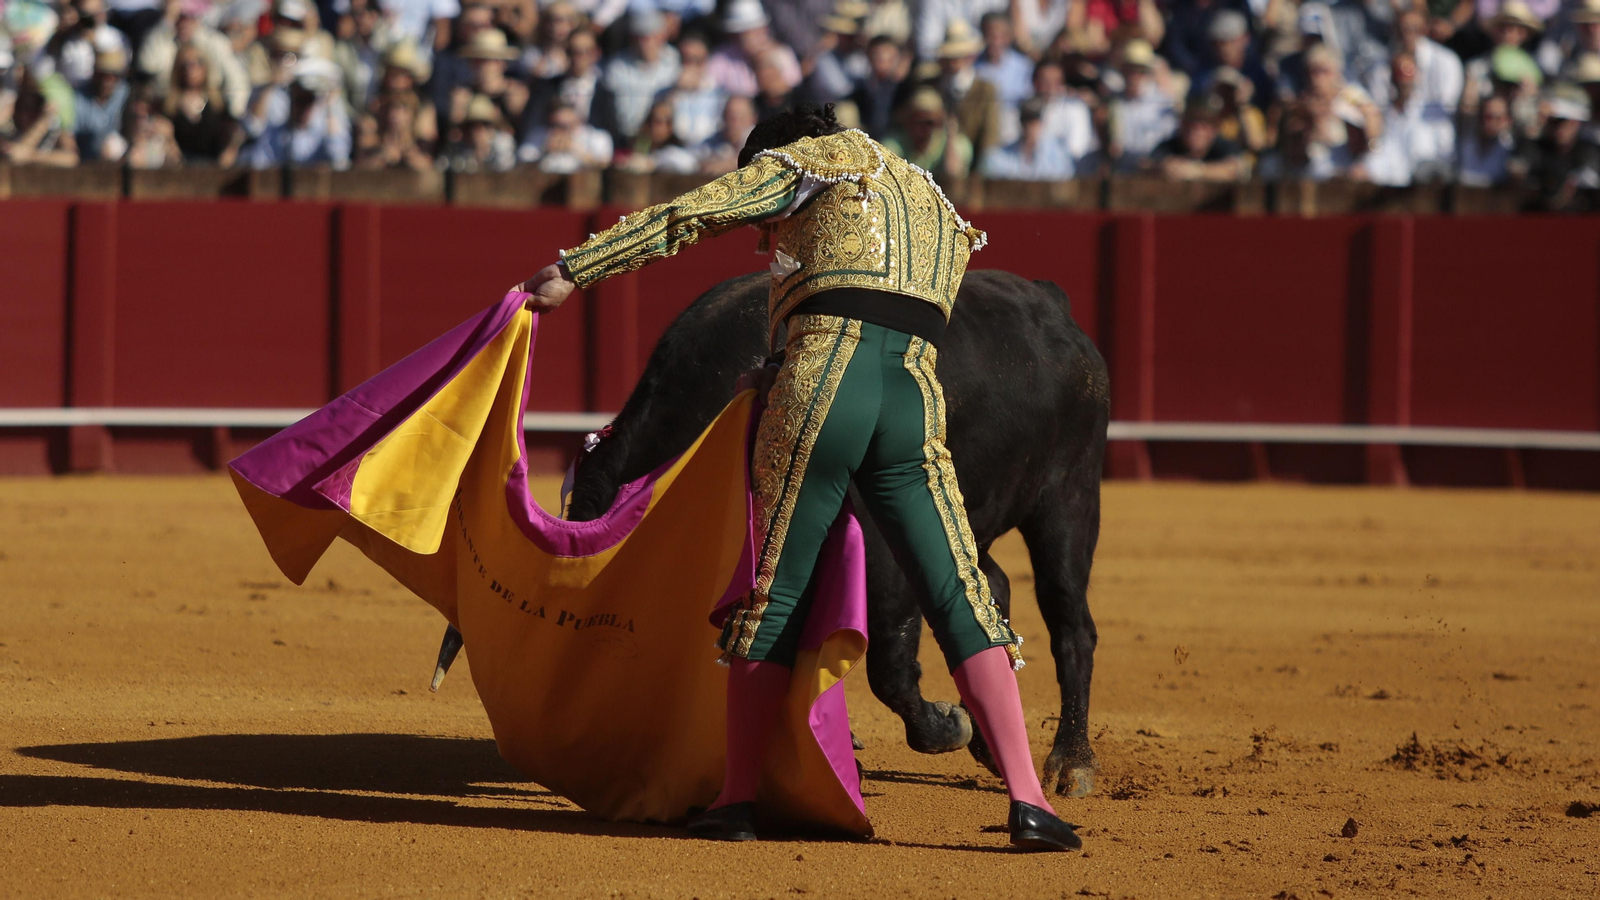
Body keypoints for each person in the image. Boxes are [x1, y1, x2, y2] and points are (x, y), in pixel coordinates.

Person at [513, 103, 1081, 852]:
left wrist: (573, 270)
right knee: (958, 592)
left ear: (779, 151)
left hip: (824, 383)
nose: (765, 236)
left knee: (775, 589)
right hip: (915, 394)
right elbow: (888, 300)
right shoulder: (929, 195)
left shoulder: (805, 162)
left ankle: (736, 800)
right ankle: (1030, 802)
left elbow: (691, 215)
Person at [604, 9, 681, 141]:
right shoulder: (617, 67)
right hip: (627, 137)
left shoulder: (675, 61)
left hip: (665, 137)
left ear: (662, 36)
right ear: (632, 39)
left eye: (651, 36)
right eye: (640, 37)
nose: (645, 43)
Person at [884, 86, 975, 178]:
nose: (921, 128)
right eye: (916, 121)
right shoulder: (895, 143)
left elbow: (953, 173)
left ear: (939, 122)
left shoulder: (958, 144)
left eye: (929, 123)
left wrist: (950, 137)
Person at [1149, 95, 1246, 179]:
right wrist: (1163, 167)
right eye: (1191, 120)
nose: (1197, 128)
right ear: (1182, 123)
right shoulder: (1168, 146)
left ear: (1216, 127)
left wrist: (1197, 171)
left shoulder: (1225, 146)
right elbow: (1147, 165)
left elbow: (1235, 169)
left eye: (1205, 122)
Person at [982, 95, 1074, 177]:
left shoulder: (1059, 158)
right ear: (1020, 123)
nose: (1030, 127)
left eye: (1035, 122)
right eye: (1026, 121)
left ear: (1042, 123)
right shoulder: (999, 157)